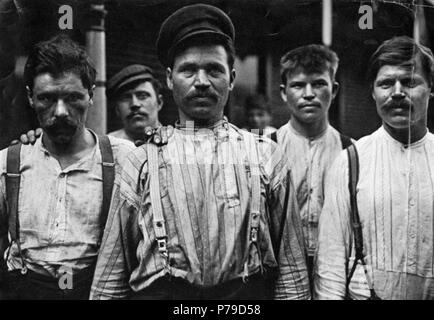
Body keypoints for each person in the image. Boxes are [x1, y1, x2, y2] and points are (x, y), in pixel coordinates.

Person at [90, 4, 310, 300]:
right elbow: (110, 279)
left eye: (214, 70)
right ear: (169, 78)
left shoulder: (266, 155)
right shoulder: (140, 161)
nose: (202, 81)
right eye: (189, 70)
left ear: (231, 78)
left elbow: (292, 273)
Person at [0, 35, 135, 299]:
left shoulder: (124, 159)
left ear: (91, 96)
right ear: (30, 97)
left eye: (73, 97)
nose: (61, 111)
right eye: (47, 98)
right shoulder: (8, 163)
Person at [315, 36, 434, 300]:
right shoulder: (351, 161)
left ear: (430, 88)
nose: (397, 92)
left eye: (410, 81)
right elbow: (331, 264)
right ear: (373, 92)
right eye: (386, 83)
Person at [275, 44, 353, 276]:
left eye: (319, 83)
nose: (308, 94)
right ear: (283, 92)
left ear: (334, 89)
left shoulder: (352, 152)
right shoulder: (266, 148)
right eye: (298, 85)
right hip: (282, 270)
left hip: (335, 269)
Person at [107, 64, 164, 144]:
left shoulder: (178, 144)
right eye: (126, 98)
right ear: (117, 109)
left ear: (159, 103)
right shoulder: (107, 147)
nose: (134, 104)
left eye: (143, 96)